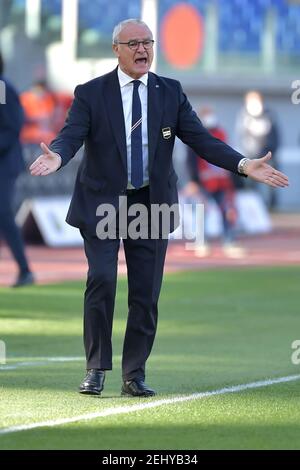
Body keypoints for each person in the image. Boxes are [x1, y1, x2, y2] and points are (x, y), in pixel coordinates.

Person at [29, 19, 288, 397]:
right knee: (101, 279)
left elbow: (201, 140)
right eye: (133, 43)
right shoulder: (91, 93)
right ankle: (95, 369)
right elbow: (71, 136)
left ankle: (134, 374)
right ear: (116, 49)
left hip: (151, 202)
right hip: (103, 200)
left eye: (147, 42)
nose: (142, 49)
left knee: (145, 292)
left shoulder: (170, 92)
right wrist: (59, 157)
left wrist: (244, 165)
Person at [185, 106, 244, 258]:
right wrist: (194, 181)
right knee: (201, 212)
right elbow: (190, 160)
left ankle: (230, 241)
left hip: (222, 182)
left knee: (227, 211)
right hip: (203, 182)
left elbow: (230, 155)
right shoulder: (195, 134)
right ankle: (202, 242)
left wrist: (234, 179)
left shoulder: (221, 133)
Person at [0, 51, 34, 287]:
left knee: (3, 212)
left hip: (4, 162)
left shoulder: (0, 88)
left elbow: (11, 126)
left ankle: (24, 269)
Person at [236, 90, 280, 208]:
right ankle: (254, 207)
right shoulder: (244, 115)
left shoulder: (269, 115)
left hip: (267, 156)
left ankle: (271, 207)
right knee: (250, 185)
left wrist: (268, 154)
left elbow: (274, 137)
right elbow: (241, 137)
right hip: (250, 156)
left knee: (271, 183)